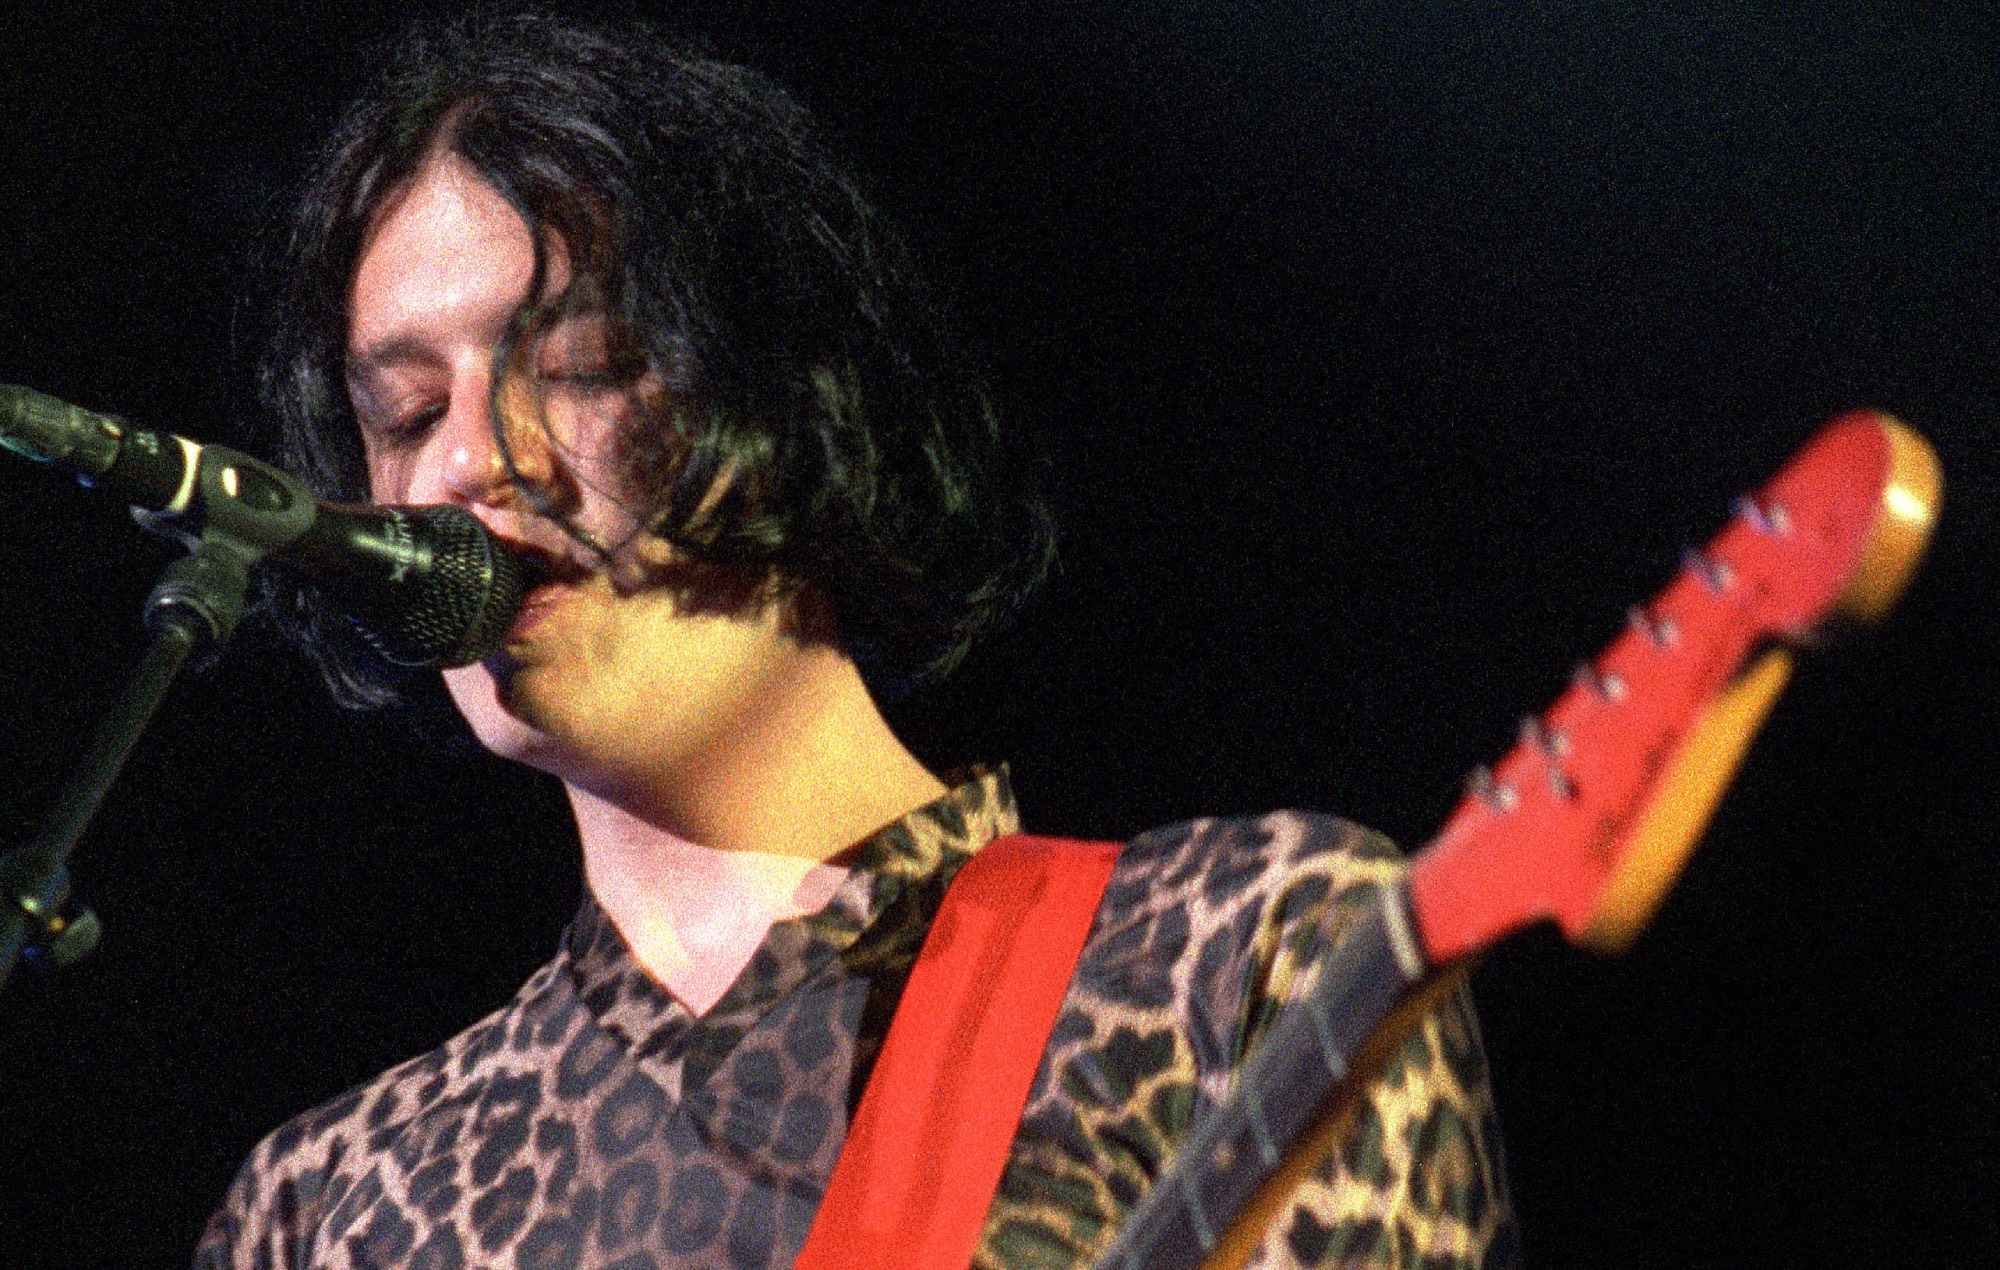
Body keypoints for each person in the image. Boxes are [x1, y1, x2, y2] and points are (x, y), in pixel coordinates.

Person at [196, 11, 1515, 1269]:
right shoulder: (339, 1203)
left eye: (577, 362)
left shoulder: (1235, 955)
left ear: (784, 392)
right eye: (408, 412)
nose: (471, 460)